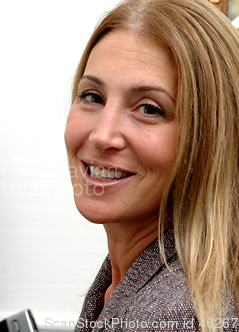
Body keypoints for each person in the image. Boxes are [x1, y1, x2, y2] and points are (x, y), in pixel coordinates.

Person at [64, 0, 239, 331]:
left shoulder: (173, 315)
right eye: (92, 97)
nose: (102, 136)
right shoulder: (134, 282)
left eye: (149, 108)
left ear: (212, 139)